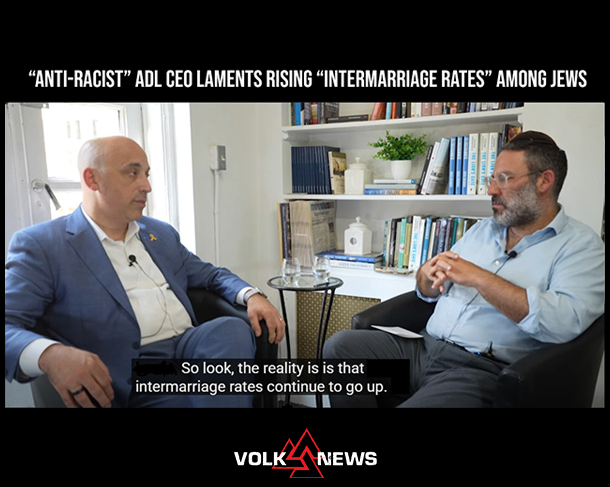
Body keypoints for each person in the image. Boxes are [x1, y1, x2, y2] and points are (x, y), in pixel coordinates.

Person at [323, 131, 605, 407]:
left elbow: (563, 323)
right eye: (491, 179)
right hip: (422, 351)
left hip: (477, 370)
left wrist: (480, 278)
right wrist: (426, 279)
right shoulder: (483, 230)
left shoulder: (580, 246)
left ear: (544, 181)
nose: (491, 190)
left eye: (504, 178)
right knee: (342, 348)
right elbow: (430, 288)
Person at [5, 135, 285, 408]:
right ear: (92, 179)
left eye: (146, 174)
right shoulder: (42, 245)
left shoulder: (160, 233)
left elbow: (210, 275)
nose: (147, 186)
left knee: (231, 329)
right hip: (128, 370)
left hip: (192, 348)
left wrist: (252, 295)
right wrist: (50, 355)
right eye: (132, 173)